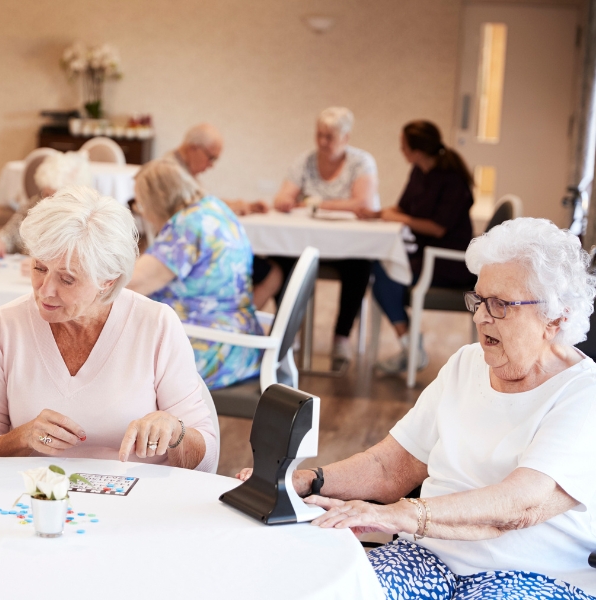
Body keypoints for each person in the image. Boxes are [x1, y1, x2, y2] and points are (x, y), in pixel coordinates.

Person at [238, 218, 596, 599]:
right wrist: (307, 480)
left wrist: (401, 514)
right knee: (327, 589)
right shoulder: (466, 363)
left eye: (501, 305)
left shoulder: (583, 393)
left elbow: (519, 505)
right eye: (478, 300)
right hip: (428, 554)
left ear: (556, 318)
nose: (480, 317)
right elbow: (391, 467)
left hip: (532, 575)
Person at [0, 185, 217, 472]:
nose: (45, 292)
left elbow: (206, 459)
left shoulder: (155, 324)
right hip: (36, 502)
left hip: (137, 502)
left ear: (108, 279)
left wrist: (175, 432)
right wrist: (21, 438)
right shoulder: (4, 325)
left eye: (67, 280)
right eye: (39, 268)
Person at [127, 160, 263, 390]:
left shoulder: (188, 226)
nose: (145, 214)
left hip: (212, 349)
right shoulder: (214, 208)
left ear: (158, 200)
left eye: (141, 204)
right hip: (239, 342)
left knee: (110, 361)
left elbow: (131, 283)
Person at [263, 107, 380, 367]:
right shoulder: (305, 161)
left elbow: (363, 202)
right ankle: (287, 330)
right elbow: (283, 196)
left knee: (360, 266)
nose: (323, 142)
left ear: (346, 138)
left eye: (330, 137)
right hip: (306, 245)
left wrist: (314, 203)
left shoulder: (362, 162)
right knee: (279, 259)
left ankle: (341, 337)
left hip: (347, 248)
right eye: (319, 135)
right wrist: (285, 201)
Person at [357, 120, 476, 374]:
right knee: (381, 268)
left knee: (385, 273)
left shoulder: (452, 181)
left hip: (450, 261)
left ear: (417, 151)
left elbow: (437, 229)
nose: (401, 150)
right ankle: (411, 345)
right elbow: (403, 209)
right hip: (423, 254)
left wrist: (399, 219)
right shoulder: (418, 171)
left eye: (403, 146)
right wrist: (375, 214)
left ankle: (411, 348)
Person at [0, 151, 92, 259]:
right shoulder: (37, 202)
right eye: (45, 194)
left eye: (54, 197)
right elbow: (11, 233)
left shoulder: (83, 219)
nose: (46, 201)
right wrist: (0, 242)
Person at [162, 122, 268, 217]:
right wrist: (235, 206)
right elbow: (198, 210)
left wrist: (247, 206)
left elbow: (204, 200)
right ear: (194, 148)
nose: (211, 165)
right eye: (211, 158)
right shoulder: (169, 171)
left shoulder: (183, 170)